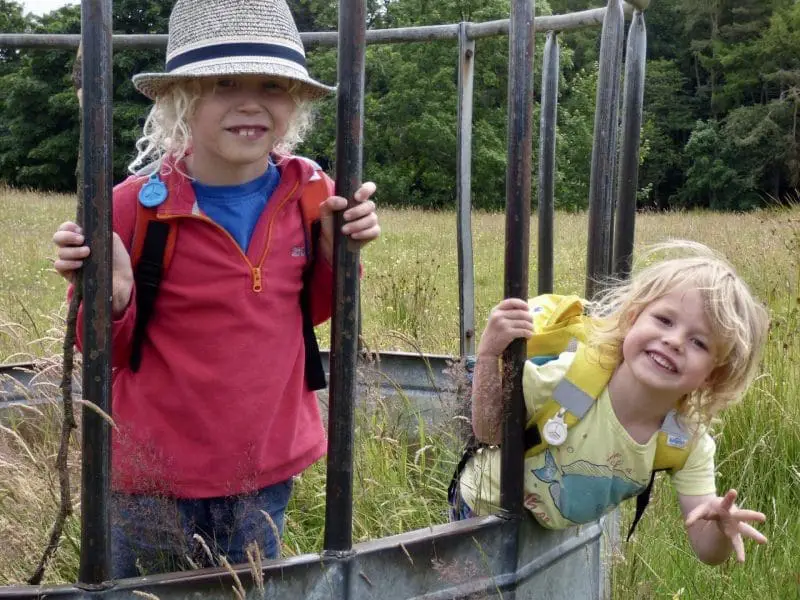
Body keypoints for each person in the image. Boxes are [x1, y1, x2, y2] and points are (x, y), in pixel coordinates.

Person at [52, 0, 380, 578]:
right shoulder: (131, 206)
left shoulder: (312, 194)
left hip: (265, 472)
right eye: (224, 82)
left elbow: (307, 314)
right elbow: (105, 350)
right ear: (181, 98)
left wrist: (336, 255)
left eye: (272, 85)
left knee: (244, 592)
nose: (250, 101)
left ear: (295, 103)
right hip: (151, 478)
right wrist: (115, 299)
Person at [451, 241, 770, 565]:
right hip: (486, 509)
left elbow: (707, 550)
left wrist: (720, 528)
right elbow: (489, 431)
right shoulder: (571, 383)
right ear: (632, 320)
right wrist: (490, 353)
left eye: (699, 342)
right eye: (664, 320)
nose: (674, 341)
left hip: (549, 533)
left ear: (711, 376)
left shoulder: (683, 440)